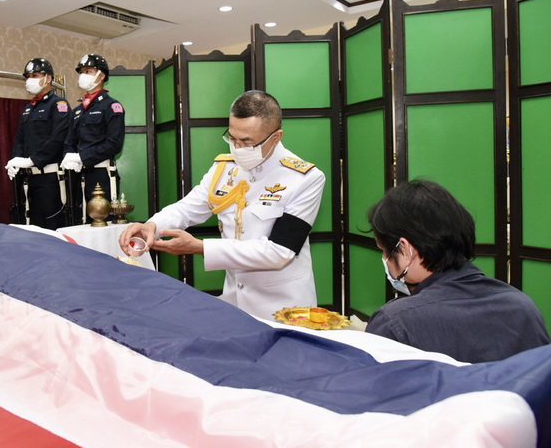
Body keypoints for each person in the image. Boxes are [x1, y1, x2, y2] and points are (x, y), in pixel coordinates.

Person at [119, 90, 325, 320]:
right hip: (234, 301)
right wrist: (152, 226)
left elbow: (280, 251)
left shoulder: (304, 178)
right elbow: (187, 208)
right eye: (232, 138)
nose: (237, 148)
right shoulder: (225, 169)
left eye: (247, 142)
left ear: (276, 137)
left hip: (284, 306)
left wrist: (200, 247)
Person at [365, 179, 550, 363]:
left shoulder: (394, 324)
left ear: (405, 249)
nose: (385, 259)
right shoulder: (522, 307)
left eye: (384, 250)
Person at [4, 58, 70, 230]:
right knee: (32, 227)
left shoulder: (58, 105)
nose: (29, 80)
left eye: (35, 76)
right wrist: (15, 160)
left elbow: (57, 139)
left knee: (53, 227)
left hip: (50, 178)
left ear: (48, 78)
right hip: (29, 178)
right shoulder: (29, 108)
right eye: (28, 77)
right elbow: (20, 139)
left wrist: (32, 160)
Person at [61, 54, 125, 220]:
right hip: (78, 174)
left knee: (101, 221)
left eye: (88, 71)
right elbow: (69, 141)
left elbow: (114, 143)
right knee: (78, 219)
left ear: (101, 75)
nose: (83, 75)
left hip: (101, 174)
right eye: (81, 72)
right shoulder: (77, 111)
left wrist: (82, 157)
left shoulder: (112, 106)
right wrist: (69, 156)